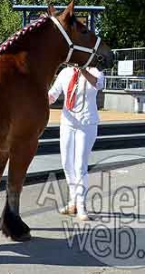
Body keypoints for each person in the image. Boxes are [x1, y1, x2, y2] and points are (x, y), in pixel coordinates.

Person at [48, 66, 105, 221]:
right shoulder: (65, 73)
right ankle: (73, 201)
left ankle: (81, 206)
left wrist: (83, 71)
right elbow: (53, 94)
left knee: (80, 166)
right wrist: (39, 100)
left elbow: (98, 84)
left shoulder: (95, 72)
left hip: (87, 124)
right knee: (67, 164)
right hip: (68, 123)